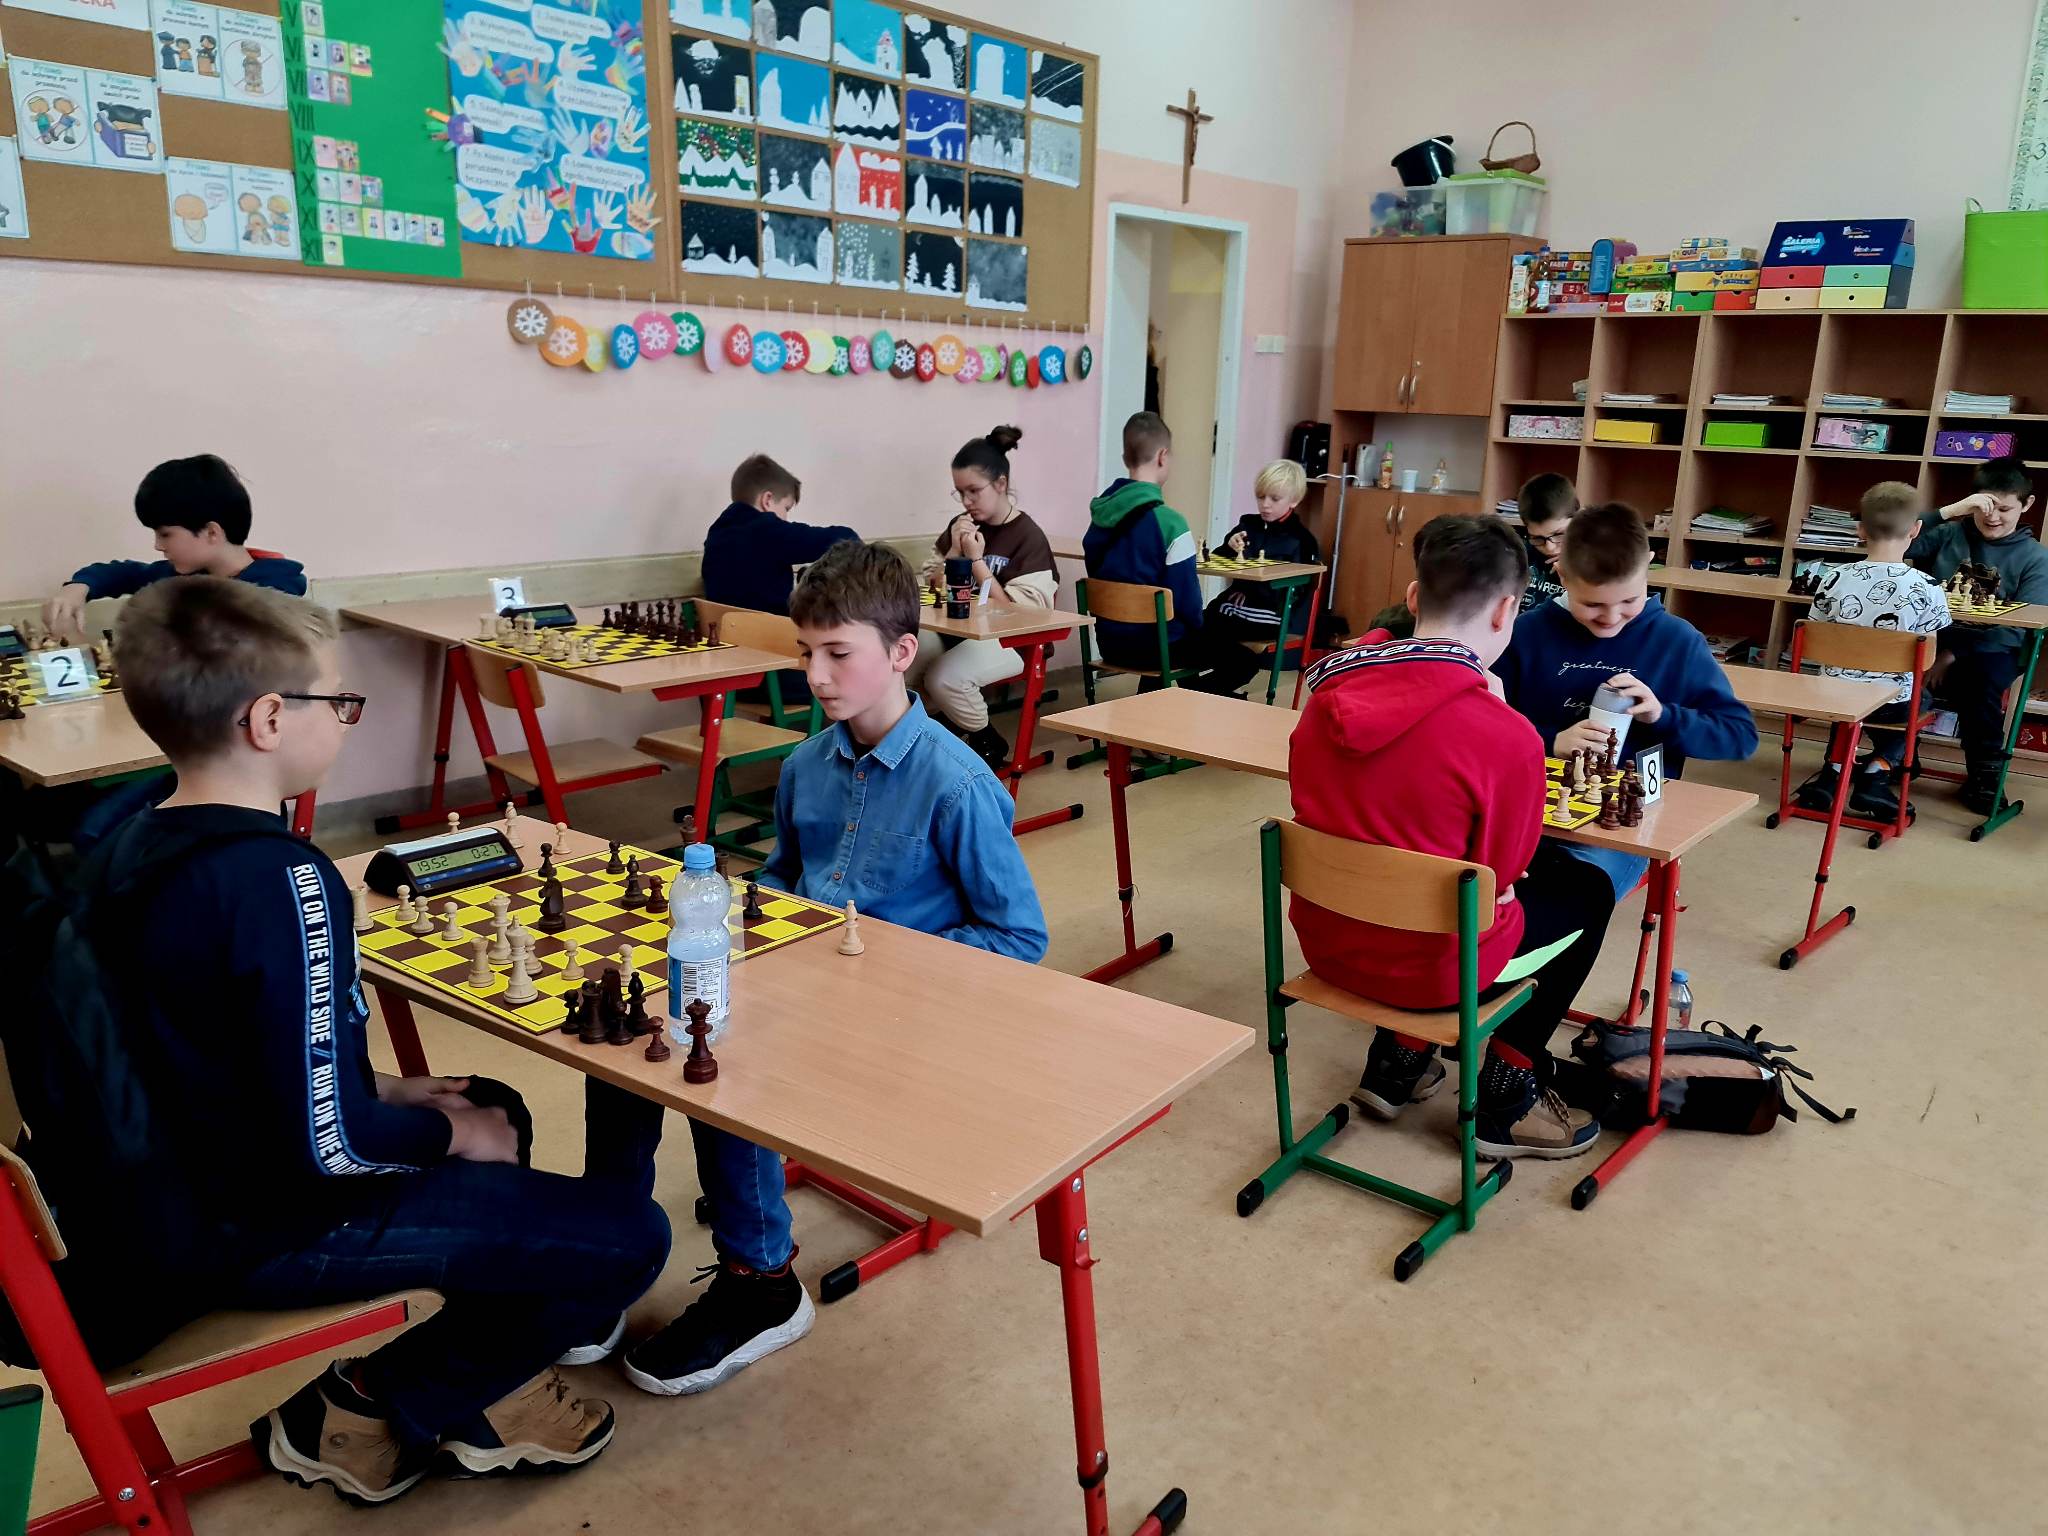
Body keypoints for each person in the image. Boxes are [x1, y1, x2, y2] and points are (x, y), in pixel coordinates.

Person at [74, 578, 669, 1505]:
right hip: (255, 1226)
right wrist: (446, 1134)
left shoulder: (123, 843)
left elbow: (206, 1051)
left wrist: (392, 1093)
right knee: (632, 1235)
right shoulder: (281, 879)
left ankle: (486, 1380)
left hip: (159, 1191)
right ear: (270, 719)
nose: (347, 719)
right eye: (339, 701)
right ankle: (363, 1404)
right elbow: (332, 1148)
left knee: (495, 1102)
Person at [586, 540, 1047, 1398]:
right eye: (806, 653)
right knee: (631, 1032)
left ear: (902, 653)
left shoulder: (958, 784)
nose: (816, 675)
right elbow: (780, 883)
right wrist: (732, 926)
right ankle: (604, 1254)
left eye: (838, 653)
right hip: (803, 983)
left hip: (900, 1014)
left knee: (723, 1061)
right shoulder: (805, 766)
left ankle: (762, 1283)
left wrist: (890, 964)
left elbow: (1021, 939)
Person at [1289, 515, 1608, 1158]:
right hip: (1434, 974)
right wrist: (1499, 716)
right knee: (1588, 890)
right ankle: (1507, 1094)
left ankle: (1397, 1065)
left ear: (1413, 598)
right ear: (1508, 611)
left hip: (1327, 944)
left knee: (1443, 878)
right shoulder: (1507, 736)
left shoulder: (1322, 699)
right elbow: (1506, 872)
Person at [1493, 501, 1756, 899]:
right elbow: (1484, 725)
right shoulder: (1524, 634)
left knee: (1568, 895)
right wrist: (1548, 741)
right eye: (1593, 605)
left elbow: (1739, 737)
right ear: (1561, 573)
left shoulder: (1677, 641)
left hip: (1619, 820)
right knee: (1474, 881)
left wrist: (1662, 715)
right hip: (1526, 804)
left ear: (1648, 566)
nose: (1612, 617)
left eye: (1629, 601)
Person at [907, 425, 1059, 768]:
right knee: (906, 658)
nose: (967, 502)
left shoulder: (1027, 536)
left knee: (944, 678)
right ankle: (941, 734)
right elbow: (931, 591)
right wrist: (953, 553)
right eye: (960, 493)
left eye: (974, 491)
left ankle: (985, 739)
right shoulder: (961, 525)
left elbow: (1021, 616)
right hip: (958, 630)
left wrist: (976, 562)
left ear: (1001, 484)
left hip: (1012, 642)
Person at [1796, 481, 1950, 818]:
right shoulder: (1928, 587)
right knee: (1921, 699)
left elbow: (1813, 633)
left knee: (1847, 691)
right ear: (1916, 529)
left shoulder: (1833, 577)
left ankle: (1832, 773)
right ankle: (1876, 772)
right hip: (1891, 703)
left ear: (1860, 530)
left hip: (1832, 695)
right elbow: (1927, 658)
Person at [1906, 456, 2048, 812]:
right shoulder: (1948, 533)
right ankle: (1894, 756)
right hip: (1933, 637)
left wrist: (1950, 655)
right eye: (1984, 506)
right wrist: (1950, 511)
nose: (1993, 517)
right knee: (1891, 670)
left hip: (1993, 647)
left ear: (2027, 504)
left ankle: (1985, 776)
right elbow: (1894, 538)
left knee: (1979, 683)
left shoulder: (2035, 557)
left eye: (2005, 508)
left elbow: (2019, 626)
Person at [42, 455, 306, 643]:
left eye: (165, 534)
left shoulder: (276, 596)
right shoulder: (178, 578)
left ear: (211, 532)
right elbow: (121, 573)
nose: (158, 545)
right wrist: (78, 588)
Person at [1082, 411, 1256, 694]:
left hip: (1111, 644)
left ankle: (1167, 702)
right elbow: (1188, 603)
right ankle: (1190, 702)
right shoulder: (1170, 523)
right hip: (1159, 647)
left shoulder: (1099, 519)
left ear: (1125, 458)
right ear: (1163, 456)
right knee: (1244, 660)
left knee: (1172, 632)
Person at [700, 453, 859, 616]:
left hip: (724, 629)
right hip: (771, 629)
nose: (786, 518)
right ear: (767, 500)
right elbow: (842, 537)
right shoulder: (767, 530)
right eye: (786, 508)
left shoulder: (716, 534)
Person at [1202, 458, 1323, 673]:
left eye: (1274, 499)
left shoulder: (1302, 540)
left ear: (1294, 501)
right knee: (1192, 622)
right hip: (1234, 606)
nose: (1265, 504)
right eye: (1260, 497)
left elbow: (1297, 590)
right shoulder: (1248, 524)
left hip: (1271, 614)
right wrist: (1230, 546)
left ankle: (1221, 678)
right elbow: (1217, 559)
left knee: (1209, 628)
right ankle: (1197, 683)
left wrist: (1249, 590)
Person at [1515, 471, 1579, 613]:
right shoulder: (1519, 555)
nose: (1550, 547)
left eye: (1559, 534)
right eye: (1538, 538)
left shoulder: (1594, 560)